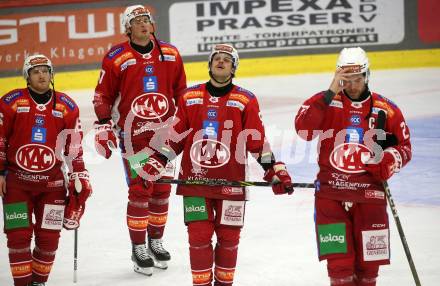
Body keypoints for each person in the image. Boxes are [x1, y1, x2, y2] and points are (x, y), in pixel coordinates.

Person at [142, 43, 294, 286]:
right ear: (210, 64)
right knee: (199, 238)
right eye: (217, 58)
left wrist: (274, 169)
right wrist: (157, 160)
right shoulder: (190, 97)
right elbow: (174, 137)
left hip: (232, 185)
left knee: (229, 239)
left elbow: (256, 142)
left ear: (234, 67)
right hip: (195, 183)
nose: (221, 62)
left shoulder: (245, 100)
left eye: (226, 59)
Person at [294, 47, 412, 286]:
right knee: (339, 267)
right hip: (331, 196)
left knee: (369, 269)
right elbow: (303, 131)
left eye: (357, 79)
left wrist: (388, 161)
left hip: (370, 196)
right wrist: (329, 92)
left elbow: (405, 147)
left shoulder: (385, 109)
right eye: (346, 80)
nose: (352, 85)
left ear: (367, 76)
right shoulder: (326, 102)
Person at [92, 4, 187, 275]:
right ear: (128, 28)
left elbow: (182, 91)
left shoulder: (170, 53)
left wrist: (188, 124)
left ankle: (155, 241)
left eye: (147, 19)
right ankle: (138, 247)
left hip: (166, 135)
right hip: (133, 137)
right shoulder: (116, 57)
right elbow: (102, 95)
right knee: (140, 190)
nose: (144, 24)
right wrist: (103, 124)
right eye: (138, 21)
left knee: (162, 190)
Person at [0, 54, 92, 286]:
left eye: (45, 70)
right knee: (18, 237)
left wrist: (79, 174)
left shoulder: (66, 106)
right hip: (16, 184)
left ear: (52, 75)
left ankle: (39, 282)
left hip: (52, 185)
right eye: (35, 71)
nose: (41, 75)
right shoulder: (10, 102)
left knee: (49, 238)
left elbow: (74, 146)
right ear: (27, 76)